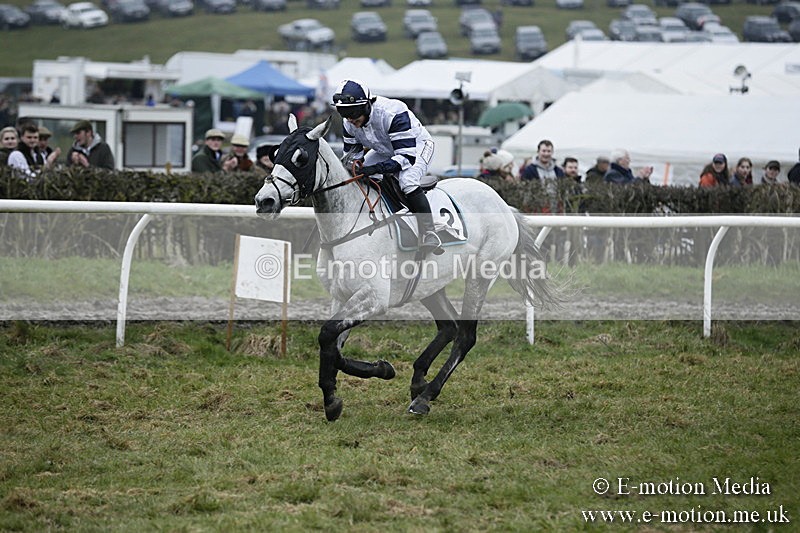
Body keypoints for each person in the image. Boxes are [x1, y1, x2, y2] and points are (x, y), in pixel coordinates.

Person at [332, 79, 442, 255]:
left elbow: (406, 158)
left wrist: (376, 169)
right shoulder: (348, 124)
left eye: (353, 113)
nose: (350, 119)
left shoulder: (392, 112)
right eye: (344, 114)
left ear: (366, 105)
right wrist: (355, 167)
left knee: (407, 181)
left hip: (417, 147)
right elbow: (352, 159)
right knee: (356, 177)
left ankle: (430, 232)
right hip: (385, 149)